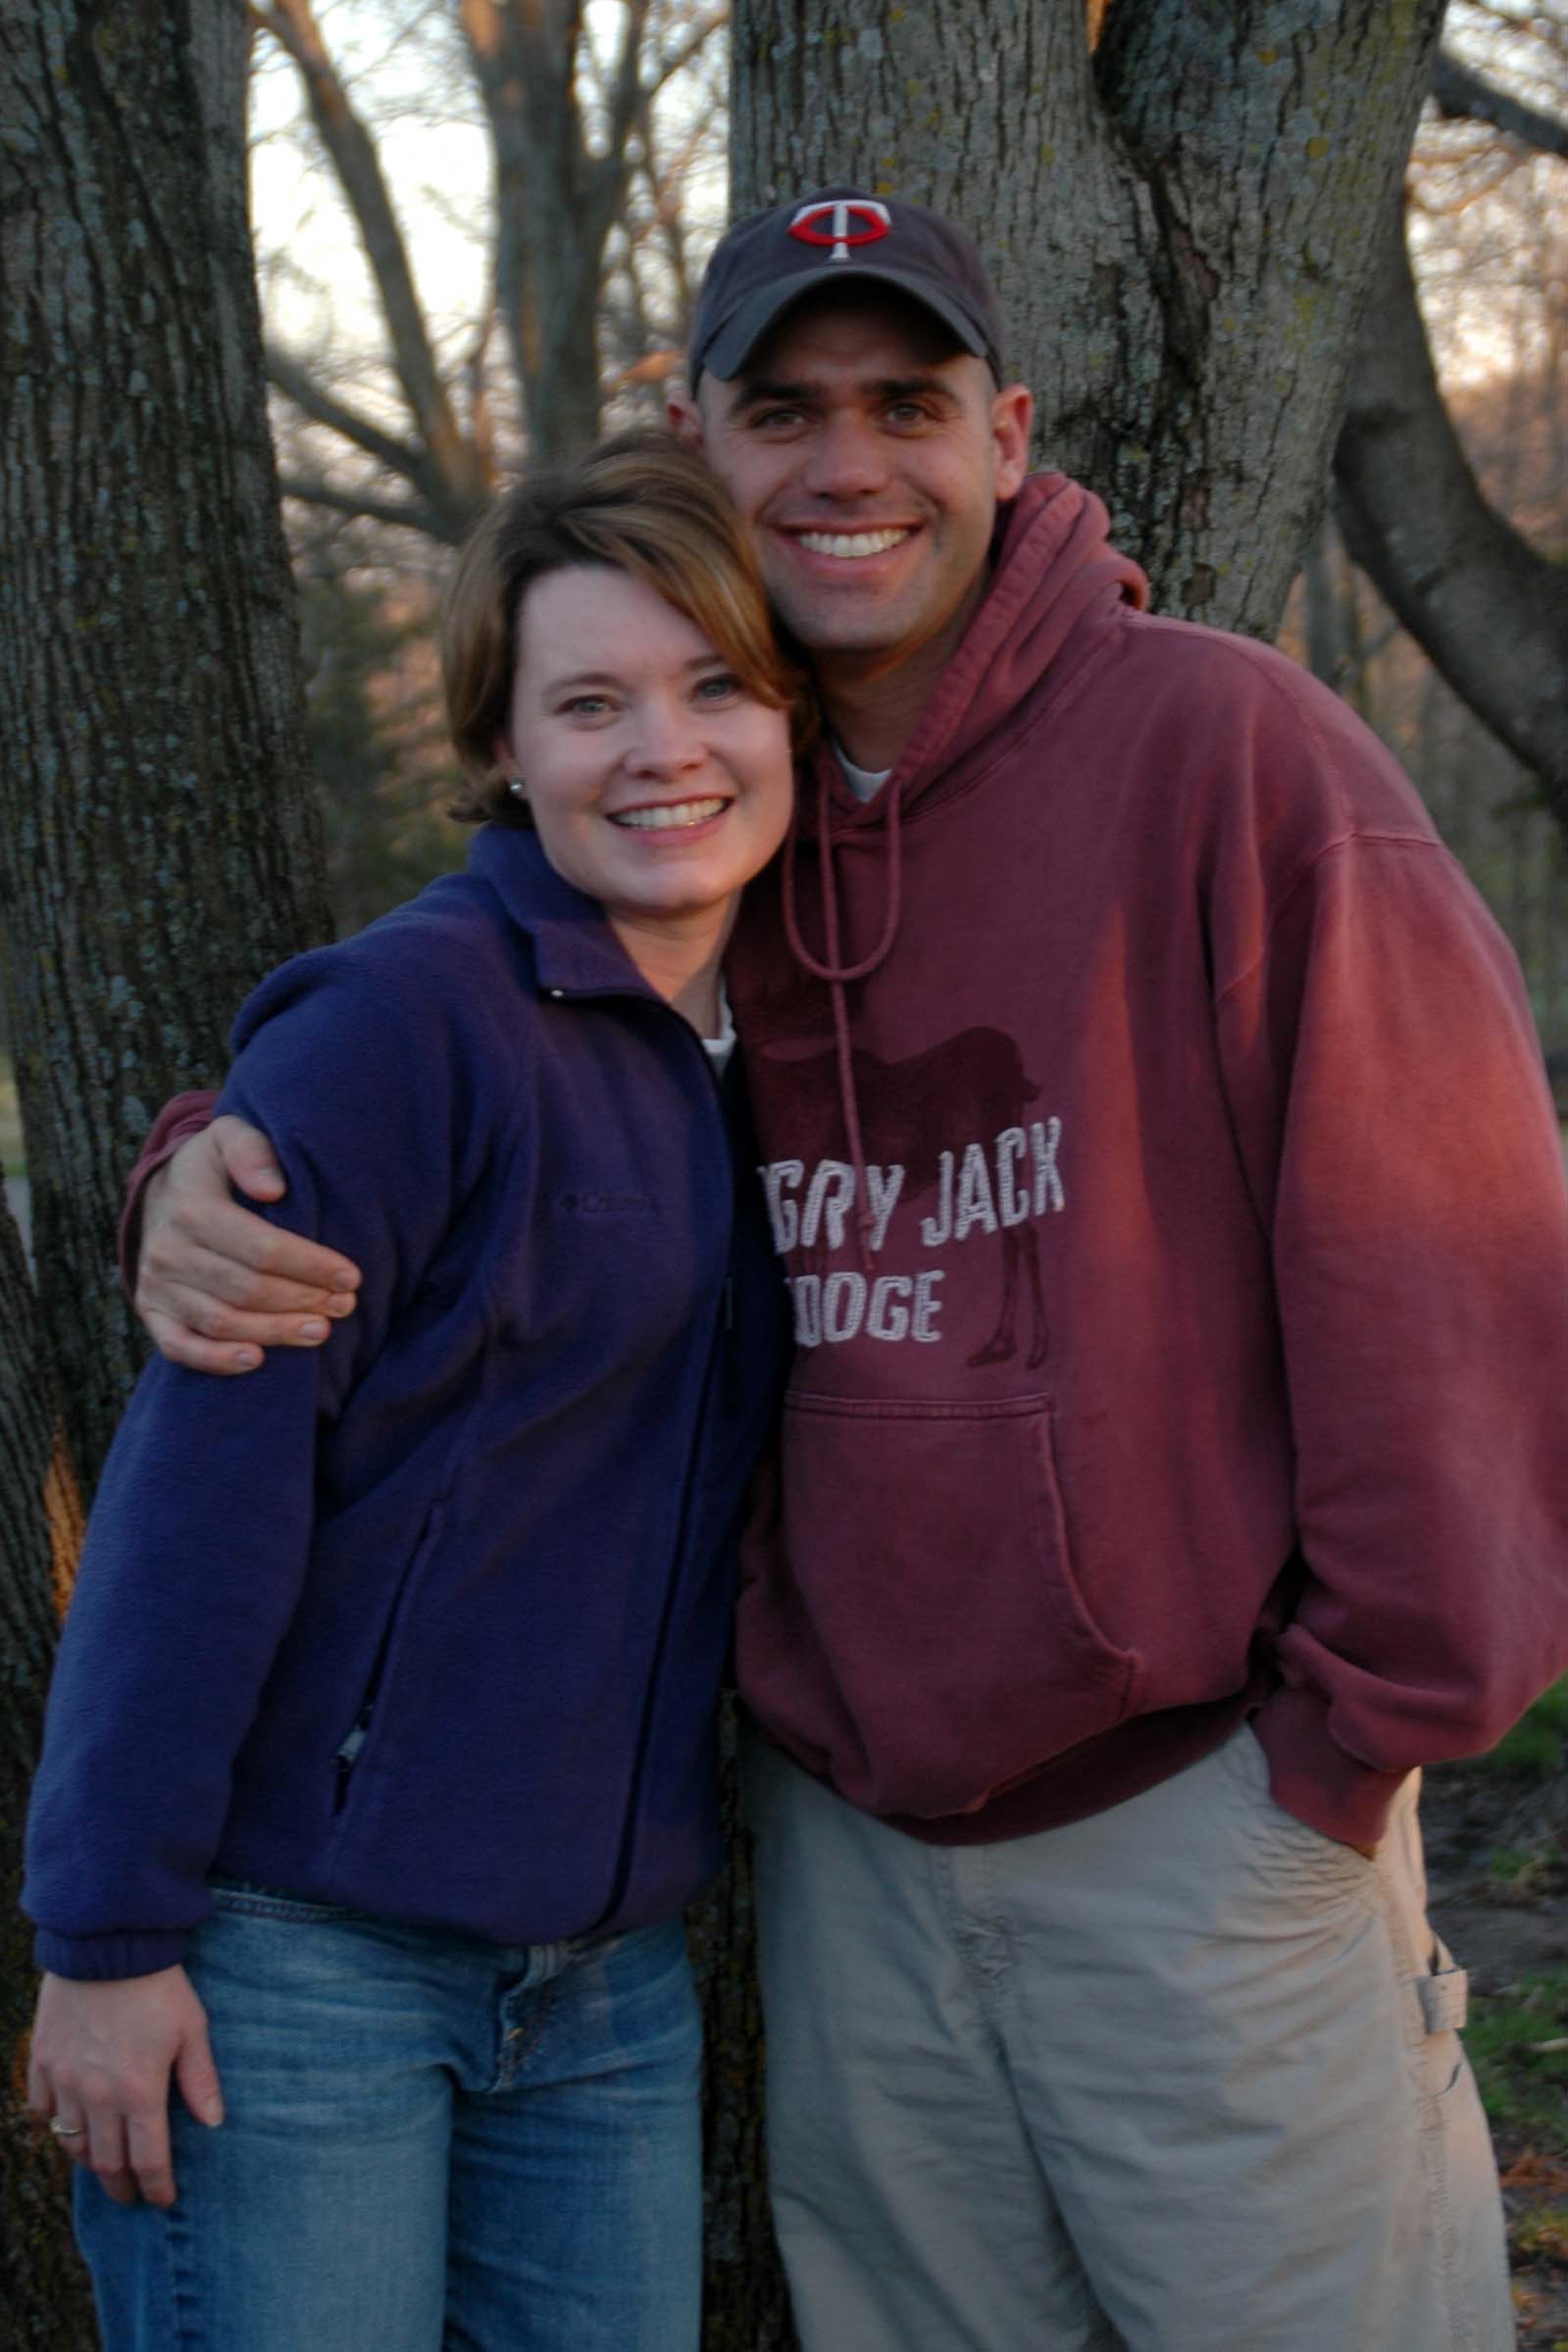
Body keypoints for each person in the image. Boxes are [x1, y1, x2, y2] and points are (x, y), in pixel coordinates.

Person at [116, 191, 1568, 2351]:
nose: (846, 461)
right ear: (693, 440)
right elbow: (457, 1034)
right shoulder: (712, 815)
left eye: (905, 402)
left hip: (1207, 1830)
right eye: (783, 409)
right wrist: (201, 1162)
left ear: (1008, 435)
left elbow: (1445, 1268)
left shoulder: (1229, 754)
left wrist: (1350, 1749)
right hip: (846, 1856)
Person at [23, 430, 800, 2351]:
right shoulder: (406, 1023)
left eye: (716, 684)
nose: (665, 748)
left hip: (607, 1980)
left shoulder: (801, 1039)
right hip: (300, 1960)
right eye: (591, 702)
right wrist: (107, 1937)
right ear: (504, 747)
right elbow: (196, 1498)